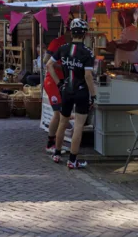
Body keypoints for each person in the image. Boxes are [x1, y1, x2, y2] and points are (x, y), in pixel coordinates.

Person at [47, 18, 96, 169]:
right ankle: (72, 160)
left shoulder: (63, 48)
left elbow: (49, 64)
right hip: (81, 91)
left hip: (66, 89)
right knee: (79, 126)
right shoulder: (87, 52)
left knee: (62, 122)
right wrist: (93, 95)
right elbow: (88, 76)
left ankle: (57, 153)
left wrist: (59, 83)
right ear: (84, 34)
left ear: (71, 32)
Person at [42, 31, 71, 154]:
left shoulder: (72, 44)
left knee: (62, 113)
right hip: (53, 82)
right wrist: (63, 67)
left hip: (61, 81)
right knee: (58, 113)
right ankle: (50, 144)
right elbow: (46, 61)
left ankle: (57, 143)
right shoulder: (57, 42)